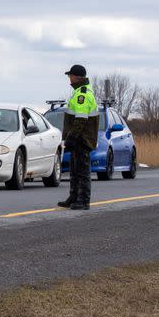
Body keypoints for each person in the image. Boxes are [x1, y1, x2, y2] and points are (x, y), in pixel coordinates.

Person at [57, 64, 99, 210]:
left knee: (82, 171)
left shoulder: (82, 94)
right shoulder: (78, 92)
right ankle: (74, 197)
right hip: (79, 138)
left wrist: (72, 138)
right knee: (75, 171)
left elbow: (80, 120)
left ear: (76, 77)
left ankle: (83, 200)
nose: (69, 78)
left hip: (82, 138)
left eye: (70, 76)